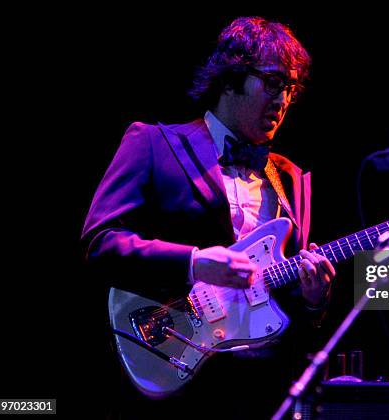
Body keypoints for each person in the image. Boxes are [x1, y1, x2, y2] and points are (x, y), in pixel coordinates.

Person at [81, 16, 335, 418]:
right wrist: (194, 262)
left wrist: (313, 300)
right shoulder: (152, 142)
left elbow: (284, 295)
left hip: (264, 384)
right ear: (231, 77)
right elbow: (100, 242)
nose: (282, 100)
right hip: (174, 366)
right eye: (271, 82)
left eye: (289, 88)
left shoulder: (290, 176)